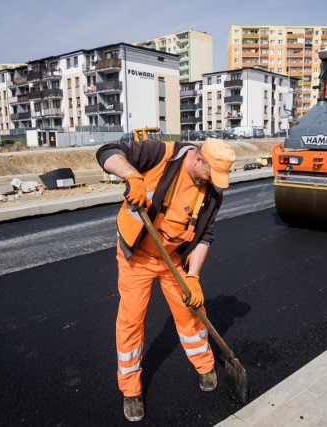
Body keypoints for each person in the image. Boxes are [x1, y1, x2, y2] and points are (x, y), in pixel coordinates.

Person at [96, 137, 236, 422]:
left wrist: (193, 276)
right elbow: (106, 152)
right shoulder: (161, 154)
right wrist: (131, 175)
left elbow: (205, 236)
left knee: (191, 312)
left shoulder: (213, 193)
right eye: (212, 172)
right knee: (131, 321)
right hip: (137, 257)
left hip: (173, 259)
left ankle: (204, 364)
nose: (215, 181)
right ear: (198, 159)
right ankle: (131, 388)